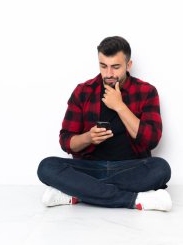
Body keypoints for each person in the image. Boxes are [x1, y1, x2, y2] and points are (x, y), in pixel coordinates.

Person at [37, 36, 172, 211]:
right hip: (89, 168)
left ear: (128, 65)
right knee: (47, 166)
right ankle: (133, 199)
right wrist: (88, 138)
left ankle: (77, 192)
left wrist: (119, 106)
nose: (109, 74)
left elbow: (151, 140)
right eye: (103, 66)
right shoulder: (83, 91)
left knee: (161, 169)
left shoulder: (146, 91)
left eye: (116, 67)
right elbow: (66, 141)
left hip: (130, 167)